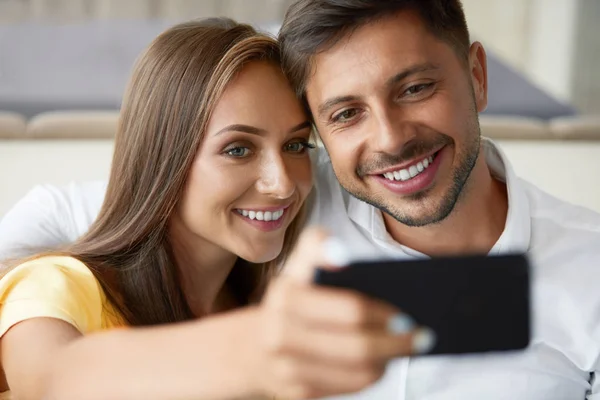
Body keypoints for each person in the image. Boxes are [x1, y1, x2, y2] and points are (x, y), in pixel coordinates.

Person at [2, 1, 599, 399]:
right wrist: (262, 343)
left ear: (475, 76)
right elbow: (79, 219)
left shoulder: (586, 268)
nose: (389, 139)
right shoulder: (295, 205)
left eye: (416, 88)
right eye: (344, 114)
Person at [0, 18, 431, 400]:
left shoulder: (254, 304)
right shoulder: (59, 284)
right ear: (163, 158)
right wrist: (262, 345)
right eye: (238, 149)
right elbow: (51, 381)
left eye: (295, 145)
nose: (281, 184)